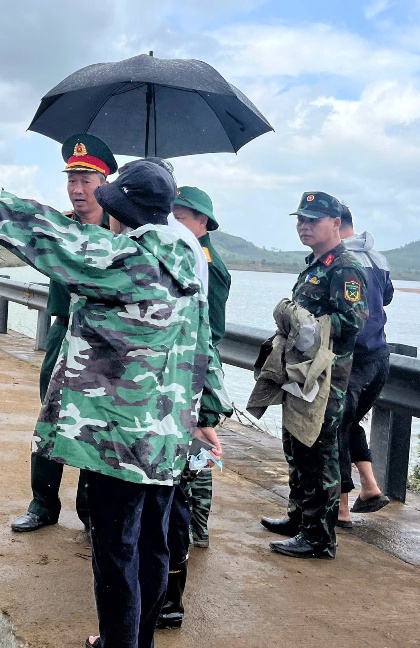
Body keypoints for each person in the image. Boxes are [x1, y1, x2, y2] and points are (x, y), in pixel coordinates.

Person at [0, 152, 230, 648]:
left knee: (116, 555)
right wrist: (207, 411)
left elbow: (49, 238)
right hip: (168, 435)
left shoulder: (128, 258)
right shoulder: (187, 257)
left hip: (119, 437)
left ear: (118, 208)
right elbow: (204, 338)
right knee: (151, 548)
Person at [10, 133, 117, 534]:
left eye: (86, 180)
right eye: (71, 179)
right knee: (50, 419)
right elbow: (23, 238)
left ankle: (90, 514)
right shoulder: (60, 226)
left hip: (102, 342)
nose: (76, 189)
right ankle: (42, 505)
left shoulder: (123, 231)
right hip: (62, 332)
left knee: (95, 424)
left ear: (106, 182)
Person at [260, 191, 367, 559]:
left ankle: (320, 538)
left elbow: (353, 321)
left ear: (335, 224)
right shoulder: (316, 264)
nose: (304, 226)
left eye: (313, 220)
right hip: (301, 370)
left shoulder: (344, 268)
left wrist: (307, 324)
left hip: (326, 377)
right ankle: (299, 517)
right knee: (296, 444)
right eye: (300, 220)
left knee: (319, 451)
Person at [156, 185, 232, 629]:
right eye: (172, 213)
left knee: (195, 467)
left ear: (203, 222)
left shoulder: (205, 262)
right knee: (190, 467)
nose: (176, 221)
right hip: (188, 366)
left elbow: (210, 326)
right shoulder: (183, 250)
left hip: (197, 365)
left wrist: (203, 390)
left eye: (183, 215)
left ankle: (197, 529)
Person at [337, 204, 393, 523]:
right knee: (349, 422)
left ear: (335, 224)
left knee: (335, 427)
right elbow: (386, 298)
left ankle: (341, 510)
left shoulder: (339, 259)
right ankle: (370, 489)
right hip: (379, 356)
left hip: (352, 359)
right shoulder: (378, 257)